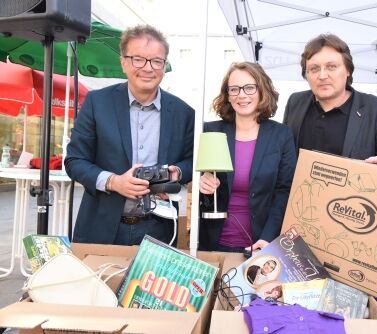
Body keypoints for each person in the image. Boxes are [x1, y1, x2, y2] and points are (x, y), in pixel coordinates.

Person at [65, 25, 194, 245]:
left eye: (156, 61)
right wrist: (114, 182)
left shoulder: (184, 113)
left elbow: (192, 161)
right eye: (138, 59)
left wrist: (178, 173)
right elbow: (75, 161)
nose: (148, 68)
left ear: (164, 65)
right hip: (101, 228)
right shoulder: (97, 103)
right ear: (123, 62)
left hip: (159, 230)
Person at [198, 62, 297, 252]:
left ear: (262, 90)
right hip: (213, 242)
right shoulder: (210, 131)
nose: (241, 95)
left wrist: (268, 238)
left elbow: (284, 192)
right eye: (234, 89)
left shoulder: (281, 135)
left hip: (260, 244)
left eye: (249, 87)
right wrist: (202, 181)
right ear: (227, 94)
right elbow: (196, 177)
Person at [284, 34, 377, 172]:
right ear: (306, 74)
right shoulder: (295, 102)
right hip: (299, 192)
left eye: (331, 67)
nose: (322, 76)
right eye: (314, 69)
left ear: (348, 70)